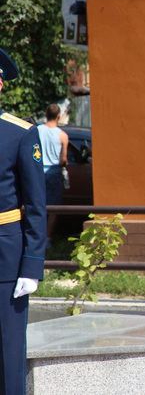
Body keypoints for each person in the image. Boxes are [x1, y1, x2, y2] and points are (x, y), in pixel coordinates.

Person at [0, 47, 47, 394]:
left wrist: (31, 265)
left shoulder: (20, 133)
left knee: (8, 353)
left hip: (5, 259)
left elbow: (36, 205)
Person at [37, 103, 69, 245]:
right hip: (54, 172)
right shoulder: (63, 136)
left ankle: (36, 238)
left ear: (46, 115)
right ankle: (47, 239)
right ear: (58, 116)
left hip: (38, 172)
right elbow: (63, 160)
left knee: (37, 205)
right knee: (54, 208)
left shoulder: (37, 131)